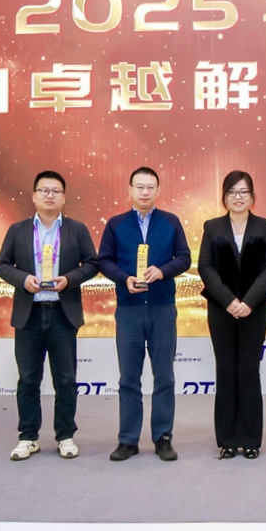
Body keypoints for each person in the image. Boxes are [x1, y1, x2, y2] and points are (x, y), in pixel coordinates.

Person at [0, 170, 100, 460]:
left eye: (56, 191)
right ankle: (28, 437)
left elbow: (92, 264)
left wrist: (69, 279)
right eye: (44, 190)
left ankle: (65, 436)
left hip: (63, 315)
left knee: (65, 380)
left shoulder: (77, 230)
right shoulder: (18, 230)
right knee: (28, 380)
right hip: (28, 315)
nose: (49, 195)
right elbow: (2, 265)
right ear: (34, 196)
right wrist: (22, 279)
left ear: (64, 198)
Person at [98, 166, 191, 462]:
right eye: (139, 186)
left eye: (150, 187)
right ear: (130, 190)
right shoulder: (116, 224)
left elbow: (185, 258)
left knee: (164, 375)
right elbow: (104, 260)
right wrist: (124, 278)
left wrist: (162, 271)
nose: (145, 192)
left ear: (158, 191)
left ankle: (163, 437)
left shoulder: (170, 222)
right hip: (129, 308)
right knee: (129, 377)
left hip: (162, 308)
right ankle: (128, 440)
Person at [197, 170, 266, 459]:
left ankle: (251, 439)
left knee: (248, 371)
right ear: (224, 197)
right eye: (232, 192)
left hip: (253, 311)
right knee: (226, 371)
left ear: (252, 196)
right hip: (221, 310)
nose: (238, 197)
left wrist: (249, 302)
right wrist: (229, 301)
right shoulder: (212, 227)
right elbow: (205, 267)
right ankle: (227, 440)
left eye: (244, 192)